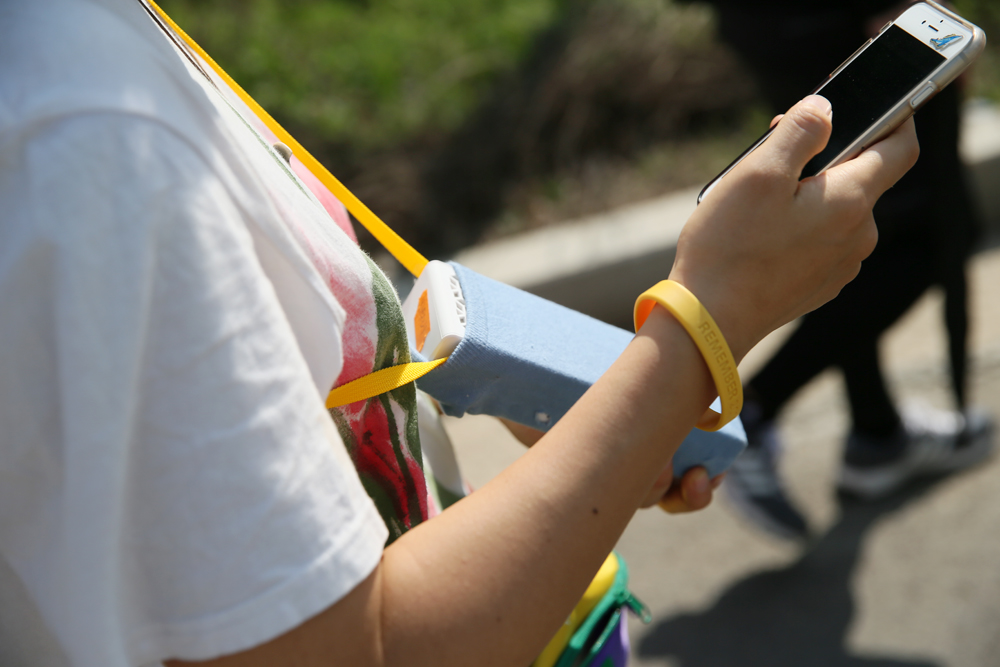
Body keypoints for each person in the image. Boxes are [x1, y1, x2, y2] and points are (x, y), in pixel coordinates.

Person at [0, 0, 918, 665]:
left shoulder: (95, 60)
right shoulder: (89, 136)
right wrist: (705, 321)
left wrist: (600, 425)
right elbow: (368, 651)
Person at [697, 0, 996, 540]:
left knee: (849, 220)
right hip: (843, 20)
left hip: (764, 21)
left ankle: (876, 434)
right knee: (925, 236)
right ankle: (752, 414)